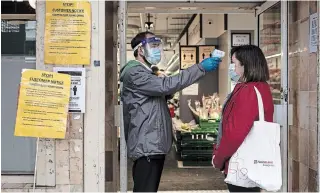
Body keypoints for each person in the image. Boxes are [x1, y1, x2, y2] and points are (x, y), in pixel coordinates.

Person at [120, 31, 222, 192]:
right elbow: (165, 86)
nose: (158, 50)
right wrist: (200, 68)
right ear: (140, 50)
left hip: (152, 142)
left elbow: (161, 92)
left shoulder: (146, 72)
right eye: (153, 46)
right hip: (147, 144)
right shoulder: (135, 72)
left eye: (158, 46)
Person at [212, 45, 274, 192]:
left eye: (234, 63)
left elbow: (235, 133)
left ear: (245, 65)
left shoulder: (248, 91)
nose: (232, 68)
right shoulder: (261, 87)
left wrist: (219, 158)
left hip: (242, 164)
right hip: (254, 160)